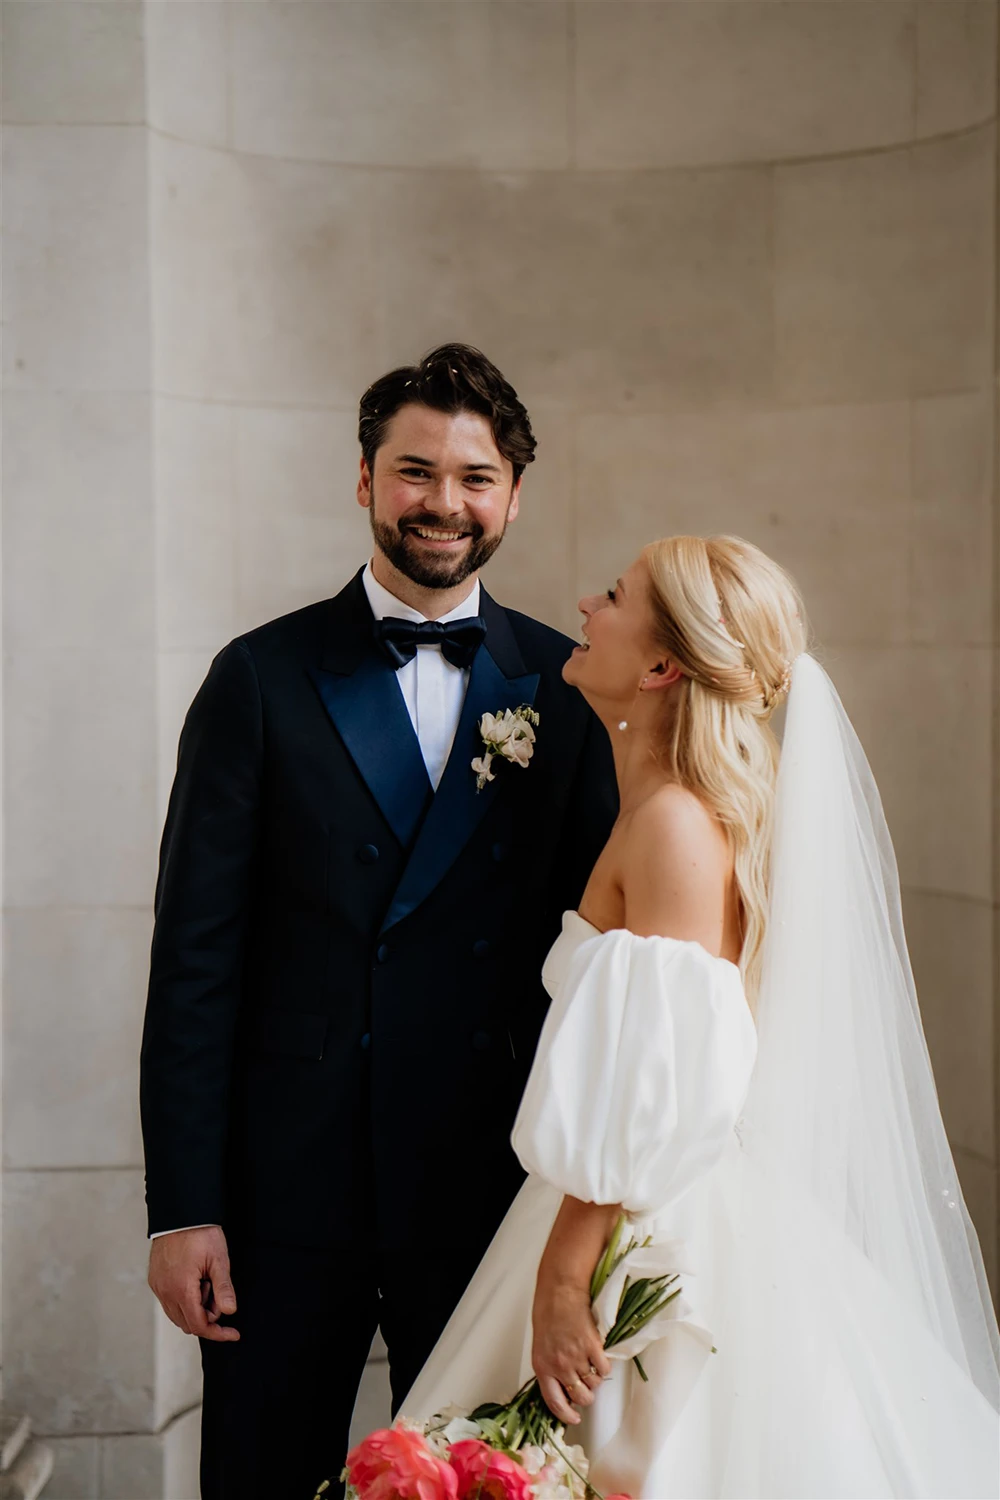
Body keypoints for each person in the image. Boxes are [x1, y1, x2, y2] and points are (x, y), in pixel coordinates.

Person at [404, 534, 1000, 1498]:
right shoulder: (665, 811)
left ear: (661, 668)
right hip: (624, 1199)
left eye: (613, 596)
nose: (586, 606)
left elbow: (658, 1078)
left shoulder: (674, 825)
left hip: (635, 1218)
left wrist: (565, 1279)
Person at [139, 343, 617, 1500]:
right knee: (261, 1475)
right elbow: (194, 959)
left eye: (475, 477)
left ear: (513, 495)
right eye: (414, 471)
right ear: (363, 480)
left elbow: (605, 957)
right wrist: (184, 1208)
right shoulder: (259, 677)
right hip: (284, 1186)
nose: (442, 503)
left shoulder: (567, 686)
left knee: (473, 1484)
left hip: (487, 1178)